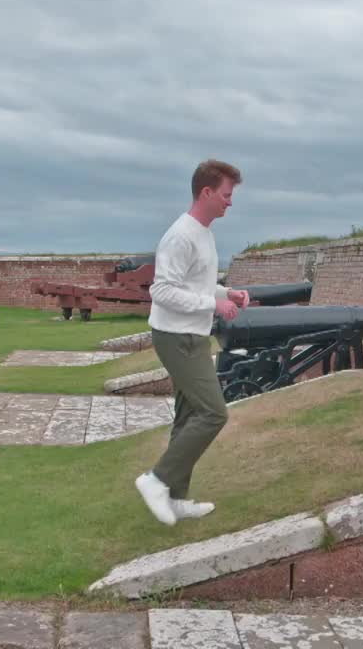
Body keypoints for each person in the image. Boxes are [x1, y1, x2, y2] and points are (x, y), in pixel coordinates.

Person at [134, 159, 249, 526]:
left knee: (187, 417)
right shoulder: (181, 235)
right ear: (207, 192)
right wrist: (213, 304)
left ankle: (176, 498)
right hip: (176, 337)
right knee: (214, 412)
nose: (230, 202)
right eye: (227, 195)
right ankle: (156, 480)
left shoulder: (205, 233)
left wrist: (225, 291)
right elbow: (163, 290)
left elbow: (193, 286)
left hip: (194, 335)